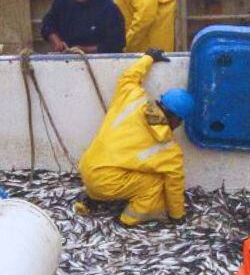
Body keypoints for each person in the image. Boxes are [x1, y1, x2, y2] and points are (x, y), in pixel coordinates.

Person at [77, 48, 192, 226]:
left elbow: (129, 78)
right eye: (181, 121)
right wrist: (177, 215)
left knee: (122, 167)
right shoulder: (170, 151)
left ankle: (95, 197)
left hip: (86, 169)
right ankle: (128, 220)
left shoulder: (133, 98)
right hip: (106, 183)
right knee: (156, 183)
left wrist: (148, 58)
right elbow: (174, 185)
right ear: (177, 119)